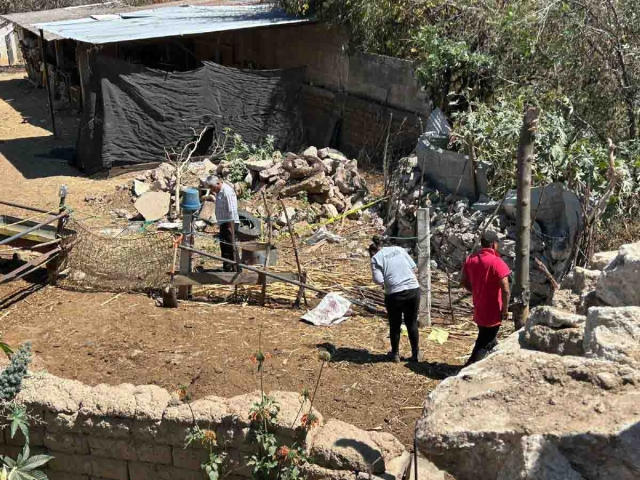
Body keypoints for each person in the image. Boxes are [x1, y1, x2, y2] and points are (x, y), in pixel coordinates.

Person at [461, 230, 511, 366]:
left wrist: (476, 290)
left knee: (488, 337)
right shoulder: (497, 262)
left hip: (479, 308)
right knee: (484, 343)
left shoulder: (471, 260)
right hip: (493, 311)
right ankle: (470, 368)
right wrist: (505, 310)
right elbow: (506, 289)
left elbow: (463, 281)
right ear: (494, 244)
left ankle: (498, 363)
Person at [369, 236, 421, 363]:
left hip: (394, 294)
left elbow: (379, 280)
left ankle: (395, 354)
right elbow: (414, 267)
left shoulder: (376, 258)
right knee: (412, 322)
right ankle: (416, 353)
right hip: (413, 290)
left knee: (395, 324)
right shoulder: (399, 249)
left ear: (373, 251)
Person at [204, 175, 239, 272]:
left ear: (218, 183)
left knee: (230, 246)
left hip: (229, 223)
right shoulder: (219, 192)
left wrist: (230, 226)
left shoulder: (227, 192)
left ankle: (236, 268)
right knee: (224, 246)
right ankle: (227, 267)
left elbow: (232, 209)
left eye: (212, 187)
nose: (211, 190)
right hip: (224, 223)